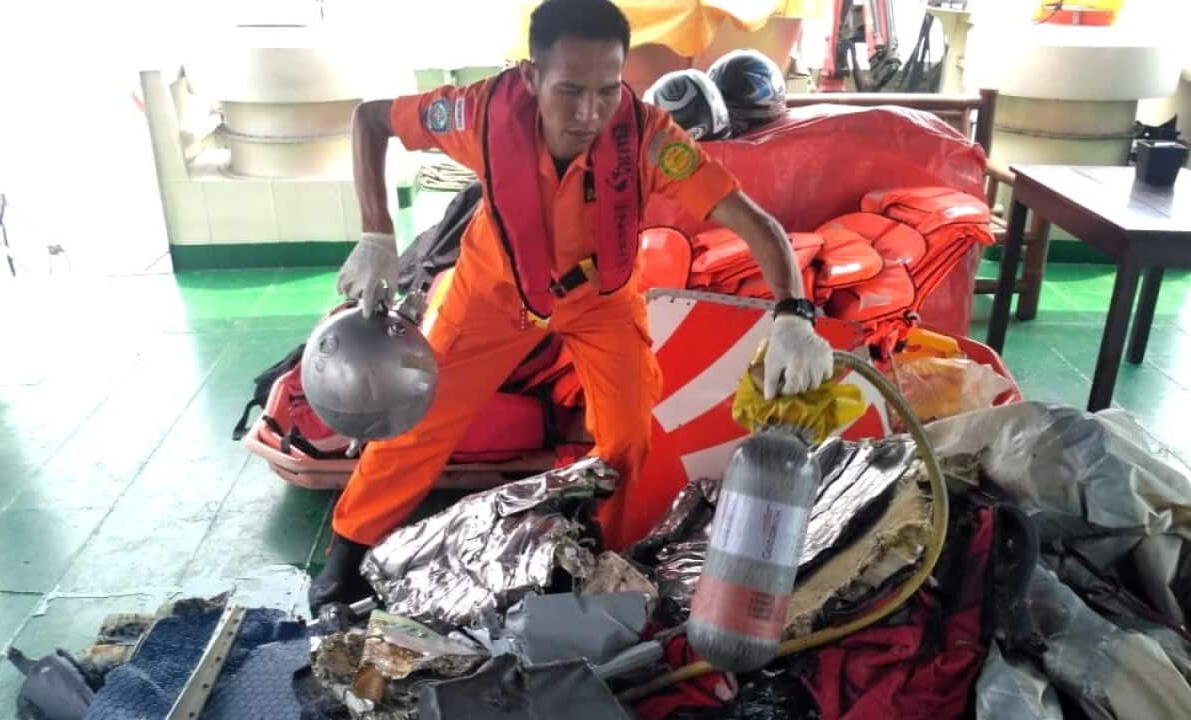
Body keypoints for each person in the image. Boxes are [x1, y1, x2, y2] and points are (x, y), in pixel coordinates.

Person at [310, 0, 832, 612]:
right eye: (569, 90)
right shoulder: (478, 113)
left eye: (608, 90)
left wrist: (795, 312)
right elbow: (371, 121)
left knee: (629, 435)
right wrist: (377, 234)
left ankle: (601, 552)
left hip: (600, 301)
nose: (588, 113)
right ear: (530, 77)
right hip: (491, 291)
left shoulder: (649, 137)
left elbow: (754, 222)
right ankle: (346, 554)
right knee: (418, 422)